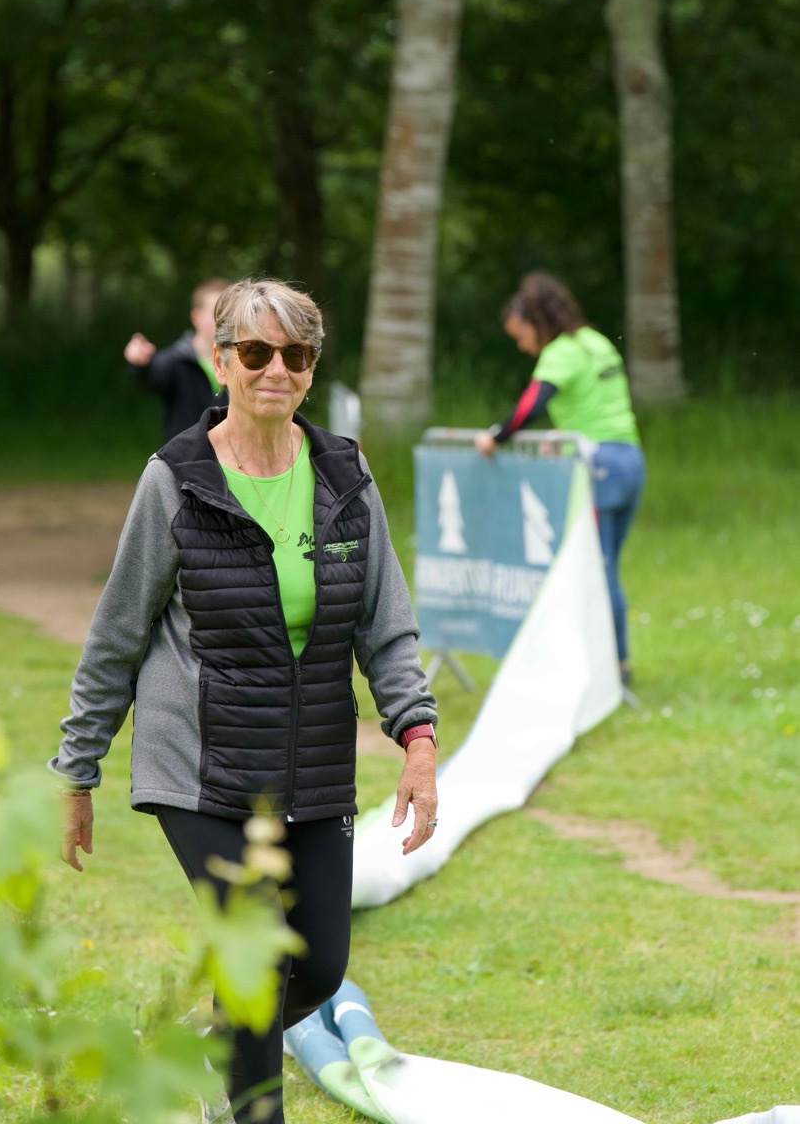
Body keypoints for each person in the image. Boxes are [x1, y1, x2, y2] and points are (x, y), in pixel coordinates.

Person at [50, 278, 439, 1124]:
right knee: (258, 956)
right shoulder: (175, 480)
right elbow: (118, 631)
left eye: (295, 354)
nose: (276, 370)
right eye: (256, 352)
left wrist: (417, 741)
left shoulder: (344, 474)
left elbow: (385, 625)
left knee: (320, 967)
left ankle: (207, 1057)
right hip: (200, 763)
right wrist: (77, 770)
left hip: (313, 762)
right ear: (220, 360)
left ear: (311, 368)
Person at [475, 271, 645, 683]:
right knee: (607, 567)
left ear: (537, 322)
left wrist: (496, 436)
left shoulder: (561, 352)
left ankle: (611, 672)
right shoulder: (596, 341)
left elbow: (531, 405)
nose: (523, 346)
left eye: (521, 336)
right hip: (630, 461)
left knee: (597, 572)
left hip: (599, 468)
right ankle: (615, 665)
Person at [124, 278, 231, 442]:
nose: (222, 320)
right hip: (186, 453)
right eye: (215, 313)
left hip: (230, 452)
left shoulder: (243, 360)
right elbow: (150, 378)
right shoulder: (177, 359)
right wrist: (139, 364)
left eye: (228, 314)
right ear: (196, 317)